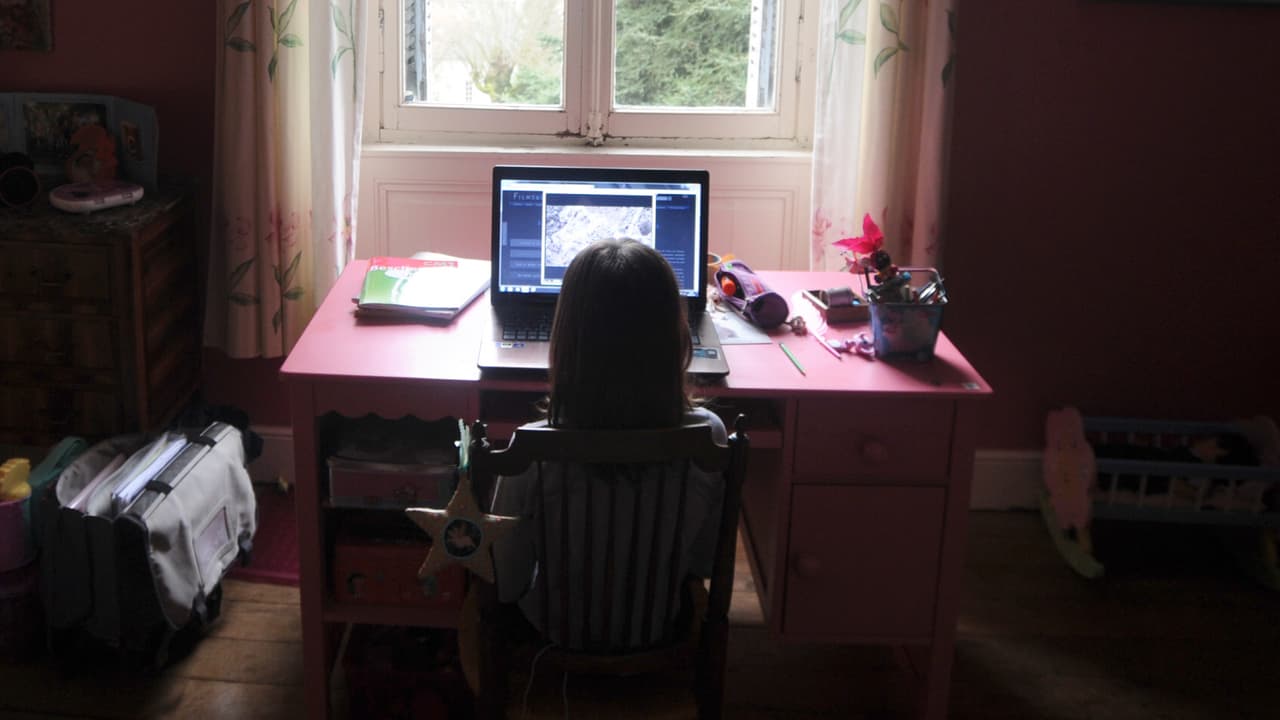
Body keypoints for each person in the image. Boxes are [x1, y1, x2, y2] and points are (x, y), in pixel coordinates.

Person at [486, 237, 727, 651]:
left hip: (554, 634)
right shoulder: (709, 437)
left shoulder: (531, 449)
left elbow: (507, 583)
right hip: (657, 629)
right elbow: (704, 561)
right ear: (676, 335)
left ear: (566, 340)